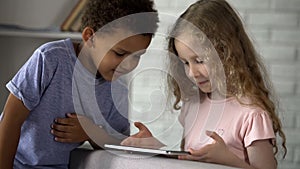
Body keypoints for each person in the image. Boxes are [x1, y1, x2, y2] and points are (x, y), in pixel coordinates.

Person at [121, 0, 287, 169]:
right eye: (185, 63)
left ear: (227, 53)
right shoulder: (192, 106)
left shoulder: (251, 116)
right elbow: (190, 163)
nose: (192, 73)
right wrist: (155, 147)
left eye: (199, 61)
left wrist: (228, 161)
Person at [0, 0, 158, 168]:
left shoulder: (118, 92)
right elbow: (11, 119)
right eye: (120, 53)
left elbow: (116, 146)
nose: (128, 64)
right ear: (90, 37)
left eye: (137, 56)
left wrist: (92, 133)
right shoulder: (50, 59)